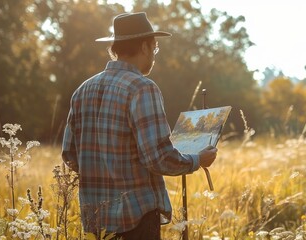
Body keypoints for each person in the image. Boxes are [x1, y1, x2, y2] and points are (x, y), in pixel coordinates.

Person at [61, 12, 217, 239]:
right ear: (145, 46)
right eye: (155, 48)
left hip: (96, 220)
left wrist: (103, 176)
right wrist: (197, 160)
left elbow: (69, 155)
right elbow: (158, 157)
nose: (154, 55)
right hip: (136, 220)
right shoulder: (142, 88)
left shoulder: (82, 90)